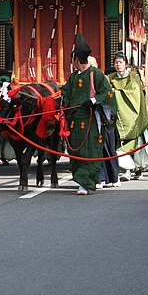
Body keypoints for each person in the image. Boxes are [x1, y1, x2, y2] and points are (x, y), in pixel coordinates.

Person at [61, 34, 114, 195]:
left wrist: (93, 100)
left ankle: (87, 183)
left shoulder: (95, 74)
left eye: (72, 58)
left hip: (90, 118)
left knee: (89, 150)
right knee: (75, 151)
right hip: (74, 120)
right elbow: (66, 93)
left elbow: (107, 93)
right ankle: (80, 179)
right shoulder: (73, 76)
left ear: (77, 59)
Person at [106, 50, 148, 181]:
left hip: (134, 115)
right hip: (120, 116)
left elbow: (134, 93)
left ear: (126, 64)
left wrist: (116, 93)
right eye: (116, 62)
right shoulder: (111, 77)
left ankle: (138, 169)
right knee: (121, 144)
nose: (118, 65)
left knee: (137, 144)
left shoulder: (133, 76)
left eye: (120, 62)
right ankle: (126, 169)